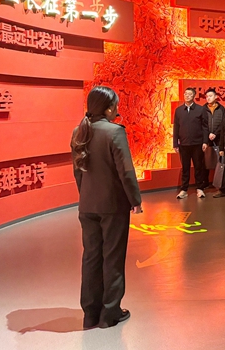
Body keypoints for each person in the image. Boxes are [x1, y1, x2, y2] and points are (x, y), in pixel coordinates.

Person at [71, 86, 143, 330]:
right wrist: (135, 200)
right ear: (109, 108)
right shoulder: (115, 132)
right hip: (113, 206)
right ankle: (109, 313)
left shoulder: (79, 131)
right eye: (116, 106)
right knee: (112, 258)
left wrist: (86, 196)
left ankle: (90, 315)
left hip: (87, 205)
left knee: (91, 258)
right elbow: (126, 171)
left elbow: (78, 172)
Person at [173, 87, 209, 199]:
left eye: (190, 94)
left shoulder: (200, 109)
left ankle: (200, 188)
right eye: (185, 94)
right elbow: (176, 127)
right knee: (185, 167)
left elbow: (205, 127)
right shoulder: (179, 110)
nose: (187, 96)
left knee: (198, 167)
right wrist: (175, 143)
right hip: (184, 144)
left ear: (194, 96)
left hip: (197, 143)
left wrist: (205, 141)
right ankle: (184, 189)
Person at [204, 88, 225, 188]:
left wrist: (215, 133)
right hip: (206, 139)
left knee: (219, 161)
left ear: (216, 97)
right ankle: (205, 182)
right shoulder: (203, 109)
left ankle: (219, 182)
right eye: (207, 96)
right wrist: (208, 133)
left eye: (210, 96)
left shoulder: (221, 109)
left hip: (218, 139)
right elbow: (202, 123)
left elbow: (223, 123)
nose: (208, 98)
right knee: (205, 161)